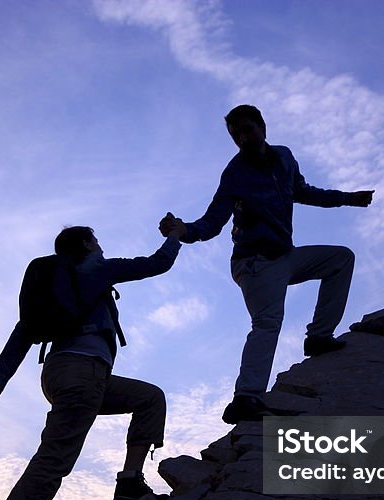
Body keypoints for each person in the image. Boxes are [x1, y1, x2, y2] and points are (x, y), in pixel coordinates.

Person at [0, 225, 182, 500]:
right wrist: (175, 236)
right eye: (96, 240)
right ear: (87, 244)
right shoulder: (97, 268)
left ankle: (130, 481)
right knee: (55, 456)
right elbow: (156, 264)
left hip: (70, 374)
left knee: (149, 398)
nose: (100, 245)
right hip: (82, 372)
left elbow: (24, 330)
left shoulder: (58, 285)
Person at [160, 104, 373, 424]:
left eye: (247, 130)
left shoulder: (284, 157)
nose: (242, 138)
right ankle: (246, 396)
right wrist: (183, 230)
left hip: (285, 256)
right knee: (267, 322)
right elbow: (212, 222)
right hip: (254, 262)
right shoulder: (235, 173)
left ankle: (318, 337)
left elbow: (302, 191)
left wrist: (347, 197)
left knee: (340, 259)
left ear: (262, 126)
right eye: (235, 135)